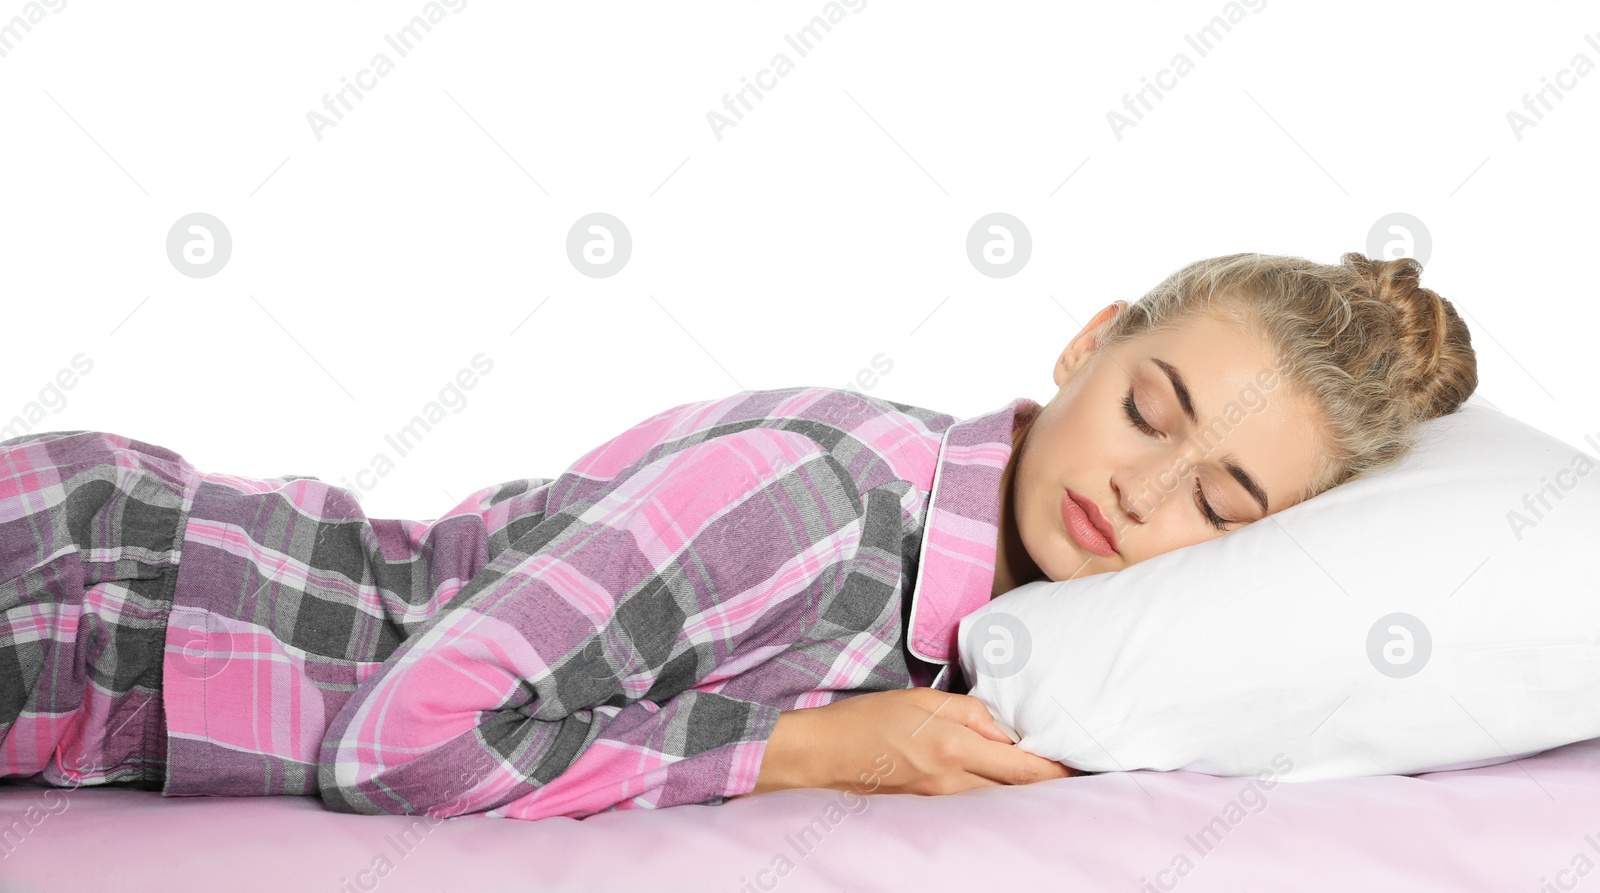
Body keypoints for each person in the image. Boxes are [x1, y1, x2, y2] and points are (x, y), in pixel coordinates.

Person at [0, 251, 1477, 821]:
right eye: (1153, 406)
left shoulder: (1040, 640)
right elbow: (396, 738)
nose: (1147, 495)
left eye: (1222, 501)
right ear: (1091, 340)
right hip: (108, 594)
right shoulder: (821, 507)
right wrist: (802, 750)